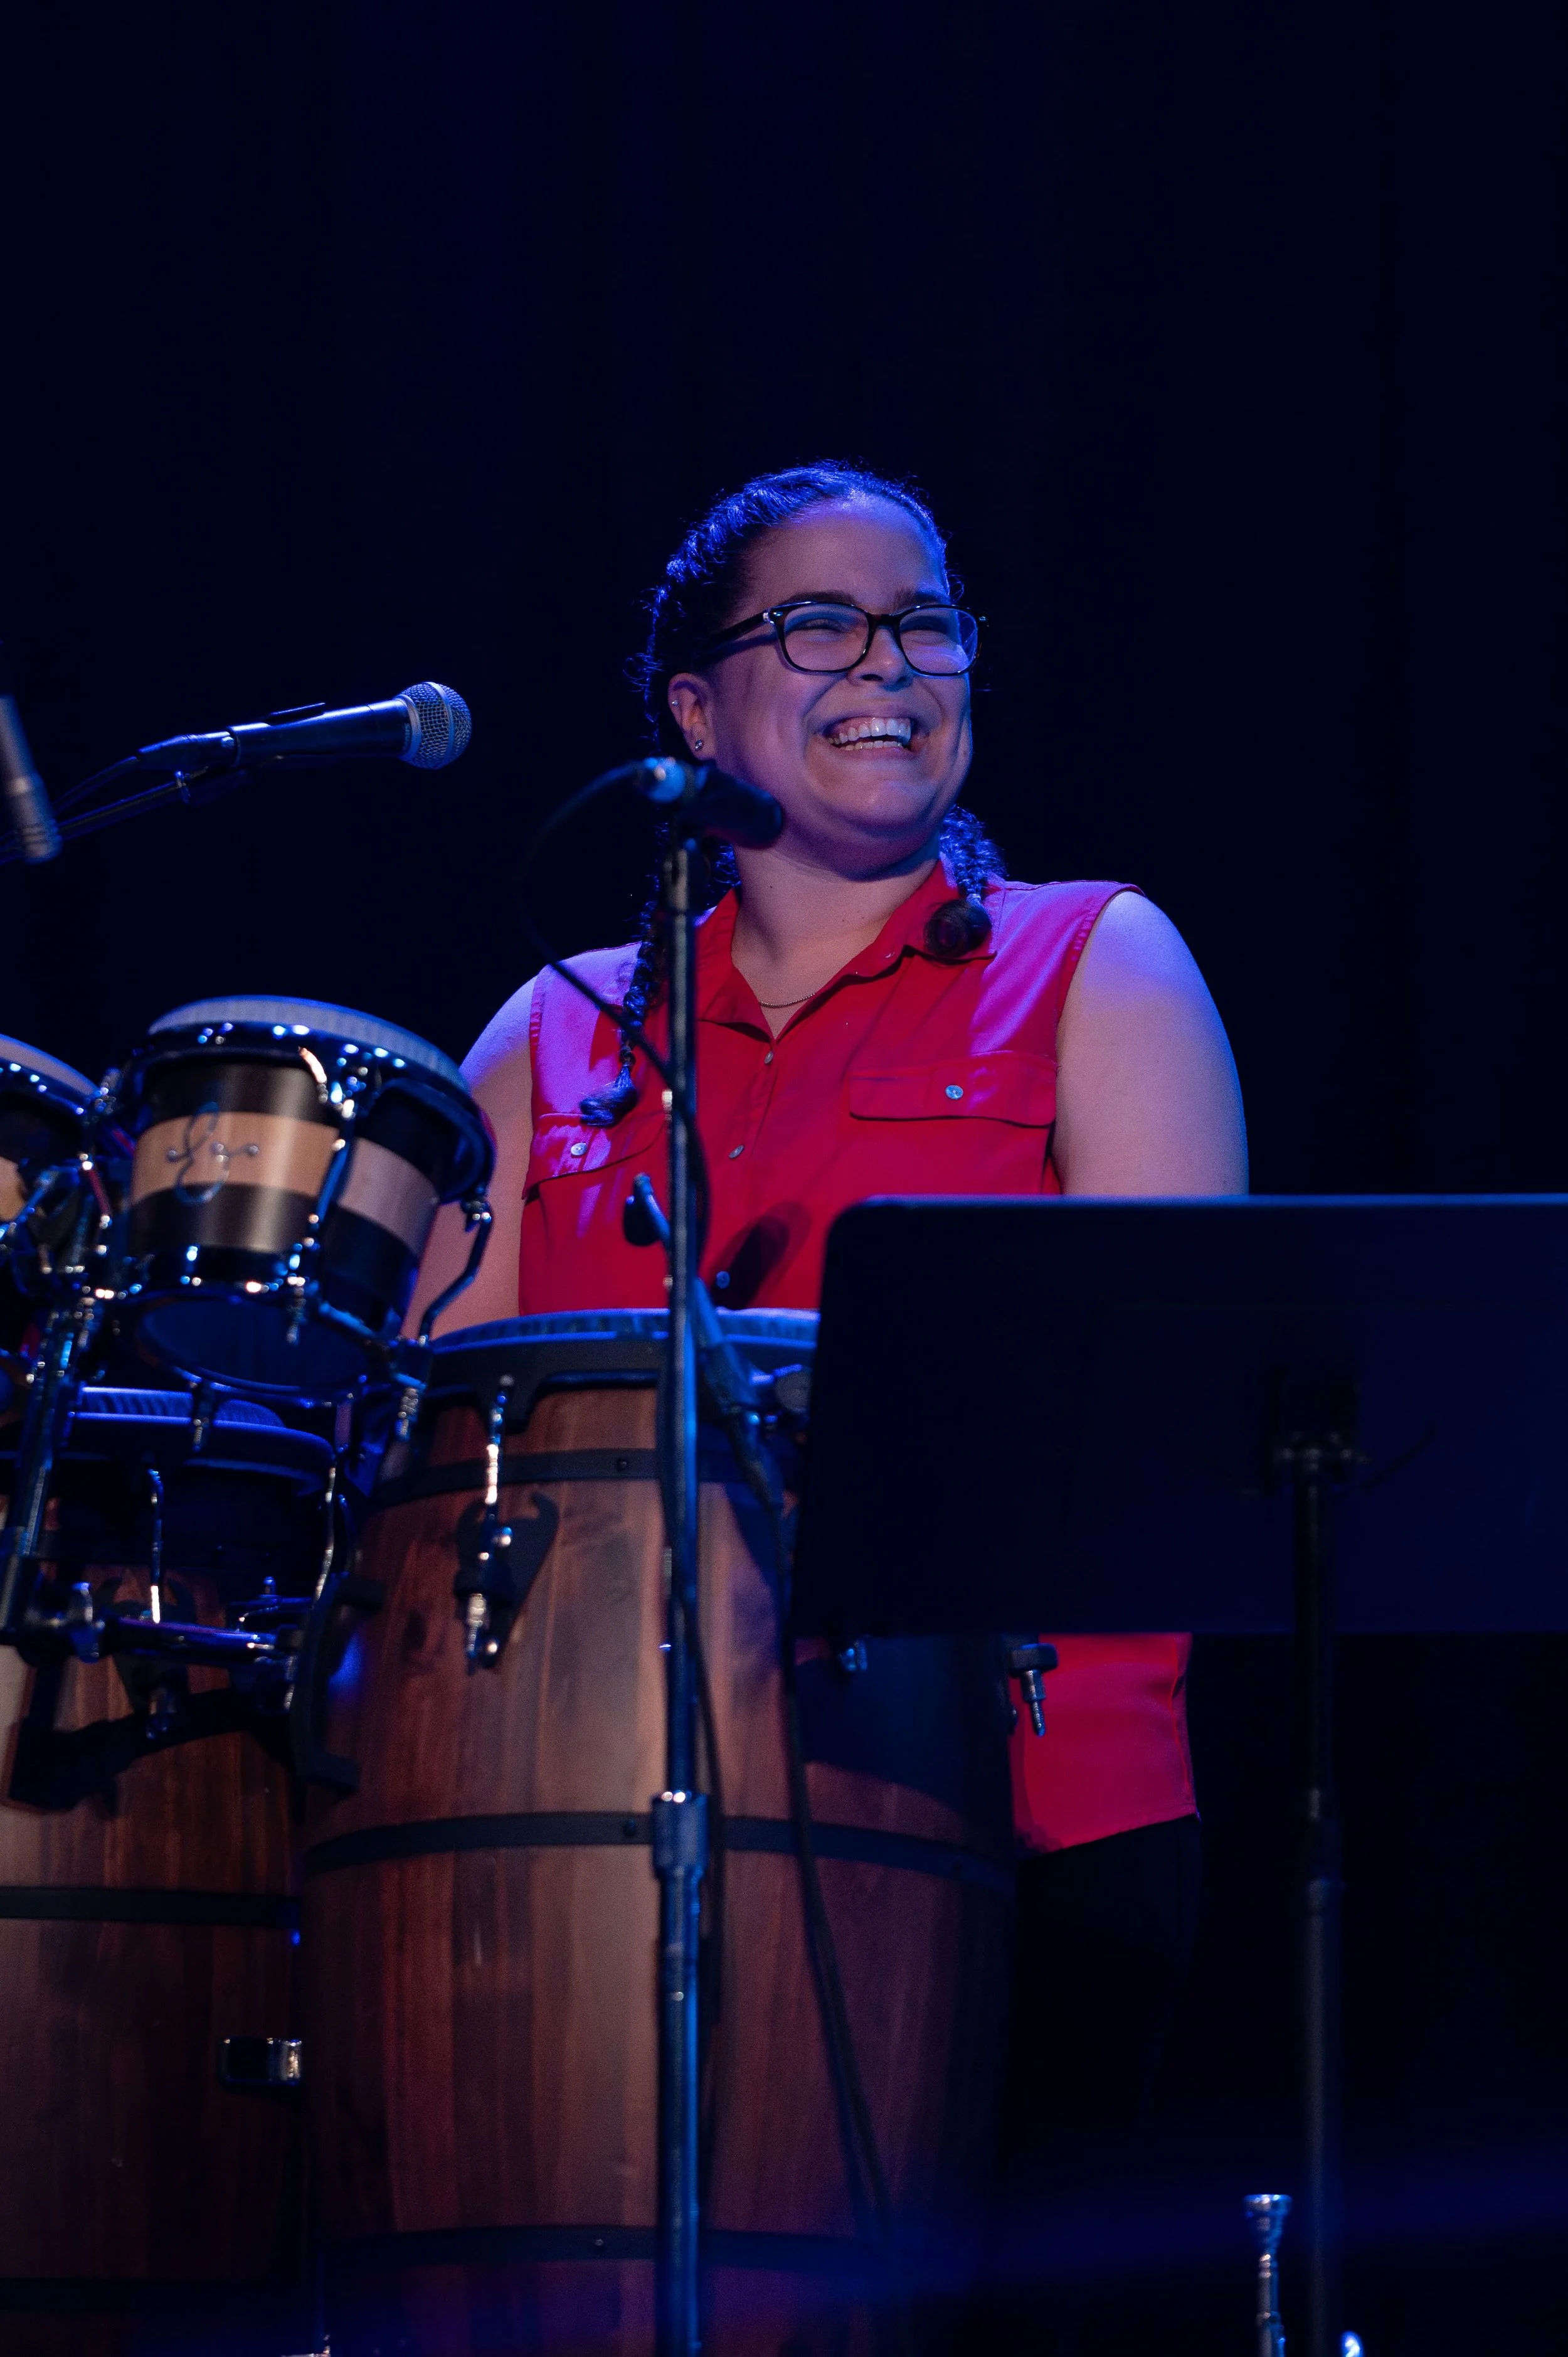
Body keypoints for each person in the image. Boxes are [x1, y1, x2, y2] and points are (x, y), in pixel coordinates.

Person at [413, 462, 1246, 2317]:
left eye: (924, 618)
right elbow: (432, 1458)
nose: (889, 659)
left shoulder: (1092, 961)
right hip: (600, 1841)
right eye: (820, 623)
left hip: (1028, 1841)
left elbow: (1182, 1413)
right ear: (695, 709)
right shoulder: (550, 1033)